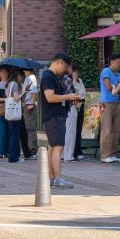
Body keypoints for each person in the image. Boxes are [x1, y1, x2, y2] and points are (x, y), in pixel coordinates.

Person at [40, 53, 82, 188]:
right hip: (54, 117)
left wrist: (68, 97)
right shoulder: (48, 77)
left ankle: (52, 178)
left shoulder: (53, 77)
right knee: (58, 147)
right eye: (65, 67)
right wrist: (68, 96)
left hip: (55, 116)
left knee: (53, 147)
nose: (65, 70)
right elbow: (50, 97)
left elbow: (54, 96)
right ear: (59, 63)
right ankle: (57, 178)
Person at [99, 54, 120, 162]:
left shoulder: (119, 75)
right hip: (106, 103)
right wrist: (117, 86)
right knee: (107, 129)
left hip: (117, 102)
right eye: (118, 63)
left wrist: (117, 86)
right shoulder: (106, 71)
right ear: (111, 62)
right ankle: (105, 155)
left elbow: (119, 88)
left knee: (116, 129)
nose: (119, 65)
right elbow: (109, 87)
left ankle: (113, 153)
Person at [63, 63, 86, 162]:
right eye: (75, 71)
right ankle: (68, 154)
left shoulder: (79, 81)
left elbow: (83, 93)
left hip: (78, 107)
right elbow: (72, 93)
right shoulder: (67, 80)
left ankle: (74, 152)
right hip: (71, 107)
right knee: (69, 132)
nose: (77, 73)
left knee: (76, 131)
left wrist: (78, 95)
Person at [4, 69, 26, 163]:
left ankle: (12, 156)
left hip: (10, 113)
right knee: (15, 136)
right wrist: (23, 92)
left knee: (12, 135)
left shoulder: (8, 84)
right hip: (15, 113)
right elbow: (16, 98)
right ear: (17, 76)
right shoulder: (15, 85)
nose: (21, 79)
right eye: (21, 76)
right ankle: (14, 157)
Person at [20, 68, 39, 160]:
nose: (23, 71)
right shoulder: (29, 78)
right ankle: (30, 150)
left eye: (24, 70)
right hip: (27, 104)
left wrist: (31, 103)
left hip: (29, 105)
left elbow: (34, 92)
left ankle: (32, 150)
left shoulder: (30, 77)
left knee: (30, 128)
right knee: (28, 128)